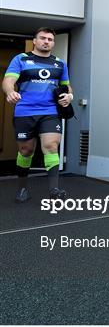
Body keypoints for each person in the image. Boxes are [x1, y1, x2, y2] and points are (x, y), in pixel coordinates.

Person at [2, 27, 73, 203]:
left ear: (53, 43)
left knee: (51, 145)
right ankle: (23, 188)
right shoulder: (21, 59)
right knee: (26, 151)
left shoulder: (60, 63)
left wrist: (69, 95)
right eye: (42, 38)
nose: (46, 41)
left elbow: (66, 86)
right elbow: (8, 81)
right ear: (34, 41)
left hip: (50, 111)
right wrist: (10, 92)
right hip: (25, 112)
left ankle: (54, 190)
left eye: (50, 39)